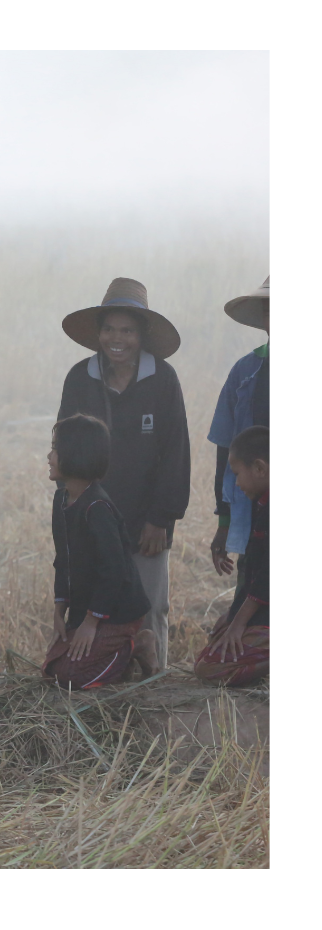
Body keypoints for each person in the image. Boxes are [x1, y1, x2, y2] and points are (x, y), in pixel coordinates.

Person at [57, 278, 190, 670]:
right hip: (92, 517)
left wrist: (160, 519)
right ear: (98, 333)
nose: (117, 339)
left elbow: (176, 452)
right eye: (109, 329)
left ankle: (153, 685)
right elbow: (66, 449)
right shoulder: (80, 379)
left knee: (150, 608)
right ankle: (103, 681)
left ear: (142, 335)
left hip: (146, 520)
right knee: (91, 606)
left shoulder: (163, 379)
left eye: (127, 330)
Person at [42, 414, 159, 689]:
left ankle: (136, 645)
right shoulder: (62, 500)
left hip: (116, 610)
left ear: (76, 455)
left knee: (72, 679)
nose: (49, 456)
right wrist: (60, 611)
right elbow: (63, 559)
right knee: (51, 668)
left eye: (56, 449)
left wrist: (91, 622)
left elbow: (114, 571)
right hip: (86, 609)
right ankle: (114, 656)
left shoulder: (98, 509)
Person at [195, 426, 269, 686]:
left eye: (237, 474)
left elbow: (269, 577)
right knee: (208, 655)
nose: (236, 483)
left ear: (260, 469)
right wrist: (234, 614)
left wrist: (239, 623)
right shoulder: (263, 505)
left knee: (210, 669)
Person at [208, 277, 269, 589]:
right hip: (255, 513)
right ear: (264, 317)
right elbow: (226, 453)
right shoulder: (246, 372)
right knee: (252, 593)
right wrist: (224, 523)